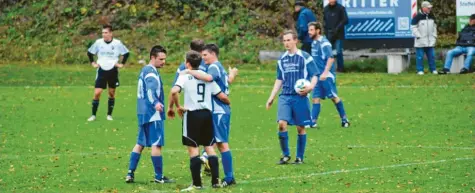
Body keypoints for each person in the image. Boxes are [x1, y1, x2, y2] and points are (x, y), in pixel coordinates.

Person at [168, 51, 231, 191]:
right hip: (207, 115)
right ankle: (216, 181)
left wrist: (177, 107)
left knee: (193, 149)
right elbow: (221, 96)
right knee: (209, 147)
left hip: (192, 115)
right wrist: (228, 102)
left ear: (187, 63)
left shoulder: (184, 76)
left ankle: (197, 184)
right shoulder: (206, 78)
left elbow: (173, 91)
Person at [181, 44, 238, 187]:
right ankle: (211, 170)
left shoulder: (213, 67)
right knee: (211, 143)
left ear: (213, 54)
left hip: (218, 111)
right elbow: (224, 83)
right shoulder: (219, 67)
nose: (203, 58)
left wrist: (188, 71)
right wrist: (232, 75)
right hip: (219, 110)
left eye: (205, 55)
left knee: (221, 144)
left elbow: (208, 78)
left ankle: (229, 177)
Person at [265, 30, 319, 165]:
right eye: (284, 40)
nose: (286, 43)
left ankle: (299, 157)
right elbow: (279, 79)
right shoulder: (282, 60)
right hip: (285, 96)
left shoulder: (305, 57)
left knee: (300, 128)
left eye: (289, 40)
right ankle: (285, 155)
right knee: (282, 124)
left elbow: (314, 75)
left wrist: (310, 87)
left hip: (300, 97)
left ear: (295, 41)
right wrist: (271, 97)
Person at [125, 45, 174, 184]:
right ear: (153, 57)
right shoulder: (152, 73)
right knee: (156, 144)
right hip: (153, 113)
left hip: (142, 111)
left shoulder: (144, 70)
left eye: (164, 59)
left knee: (140, 143)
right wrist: (156, 104)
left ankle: (130, 173)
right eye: (161, 59)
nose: (163, 62)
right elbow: (150, 91)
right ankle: (159, 177)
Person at [308, 22, 350, 128]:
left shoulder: (324, 43)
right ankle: (313, 122)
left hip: (326, 76)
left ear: (318, 30)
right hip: (317, 76)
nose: (309, 32)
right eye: (309, 30)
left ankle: (345, 119)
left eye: (311, 30)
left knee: (333, 97)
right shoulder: (313, 43)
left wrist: (325, 73)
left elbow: (331, 58)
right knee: (315, 98)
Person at [87, 24, 130, 121]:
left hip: (113, 71)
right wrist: (93, 63)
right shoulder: (98, 43)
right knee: (97, 92)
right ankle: (93, 115)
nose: (104, 34)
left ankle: (109, 115)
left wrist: (121, 64)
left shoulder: (117, 43)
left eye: (106, 32)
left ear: (111, 33)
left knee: (111, 93)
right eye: (102, 33)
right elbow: (90, 52)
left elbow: (126, 53)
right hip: (102, 70)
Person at [411, 1, 438, 75]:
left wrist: (434, 35)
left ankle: (433, 70)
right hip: (420, 41)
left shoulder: (432, 15)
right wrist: (418, 36)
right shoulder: (417, 16)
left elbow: (434, 26)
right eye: (428, 7)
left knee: (432, 56)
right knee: (419, 57)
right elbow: (413, 27)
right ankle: (420, 70)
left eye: (430, 7)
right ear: (423, 8)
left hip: (430, 41)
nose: (430, 9)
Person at [324, 0, 348, 72]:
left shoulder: (341, 8)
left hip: (339, 34)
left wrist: (337, 28)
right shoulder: (325, 9)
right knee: (329, 52)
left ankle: (340, 68)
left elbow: (345, 20)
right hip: (329, 33)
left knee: (338, 52)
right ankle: (330, 69)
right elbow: (324, 21)